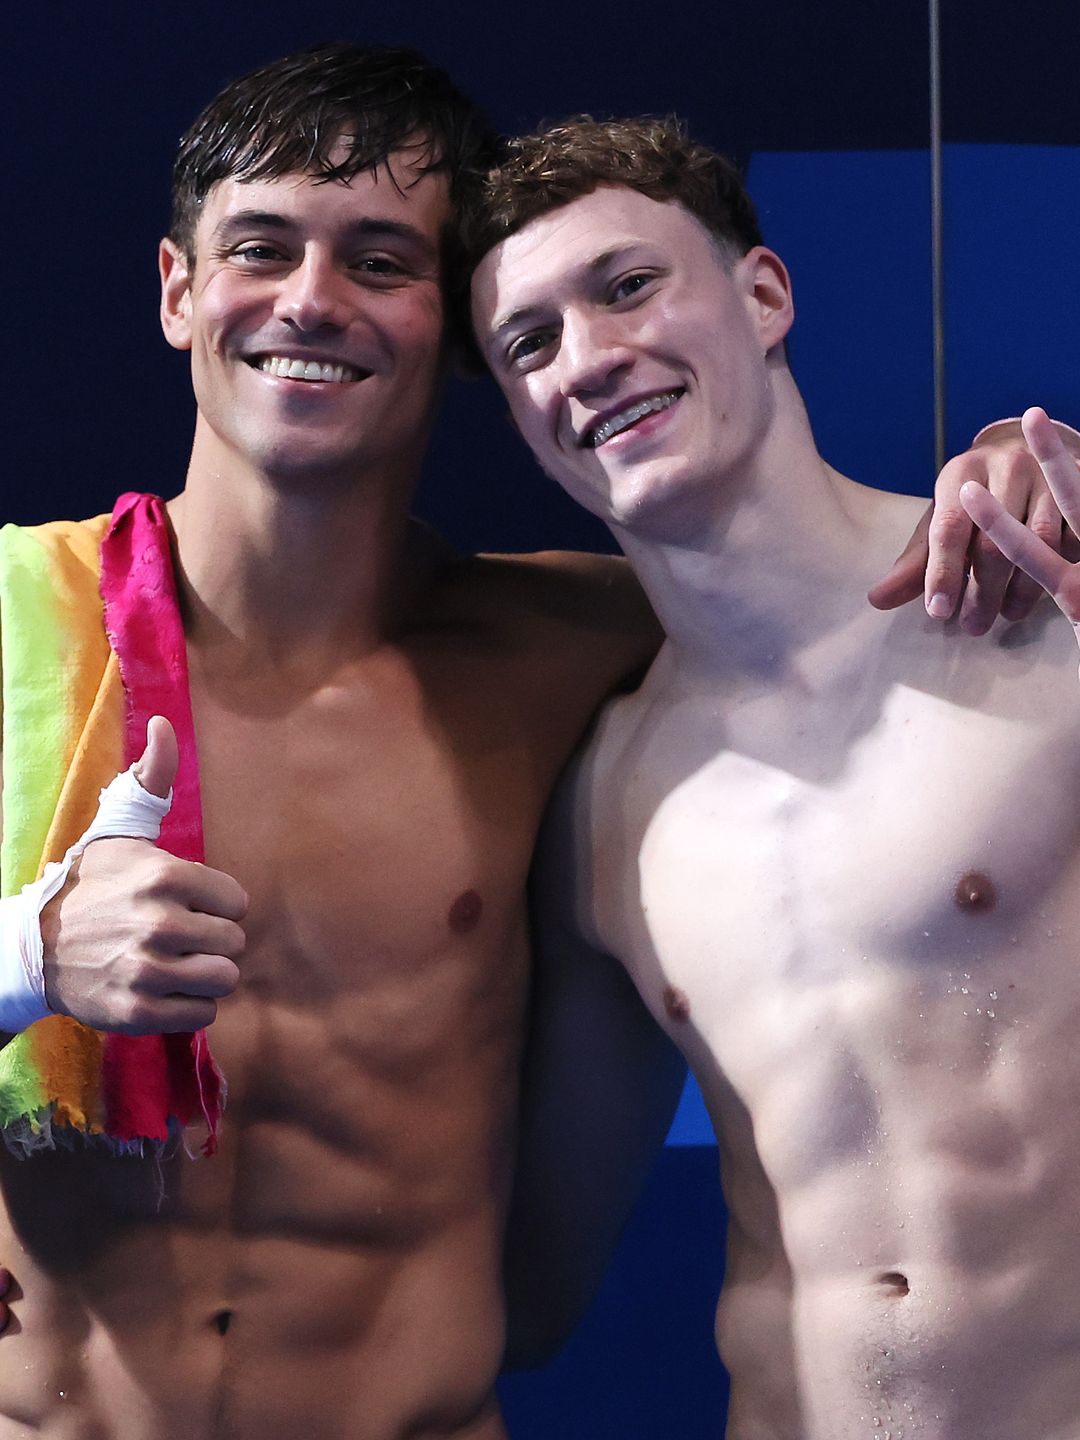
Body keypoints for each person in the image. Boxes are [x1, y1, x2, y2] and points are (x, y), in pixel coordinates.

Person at [0, 48, 683, 1440]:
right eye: (260, 248)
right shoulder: (12, 626)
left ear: (459, 327)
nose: (310, 299)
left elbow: (861, 592)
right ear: (181, 289)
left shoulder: (575, 650)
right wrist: (27, 959)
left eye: (381, 259)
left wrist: (1001, 470)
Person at [466, 115, 1080, 1438]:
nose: (589, 357)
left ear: (763, 293)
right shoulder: (602, 807)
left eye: (628, 285)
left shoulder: (1048, 603)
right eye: (530, 341)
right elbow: (525, 1295)